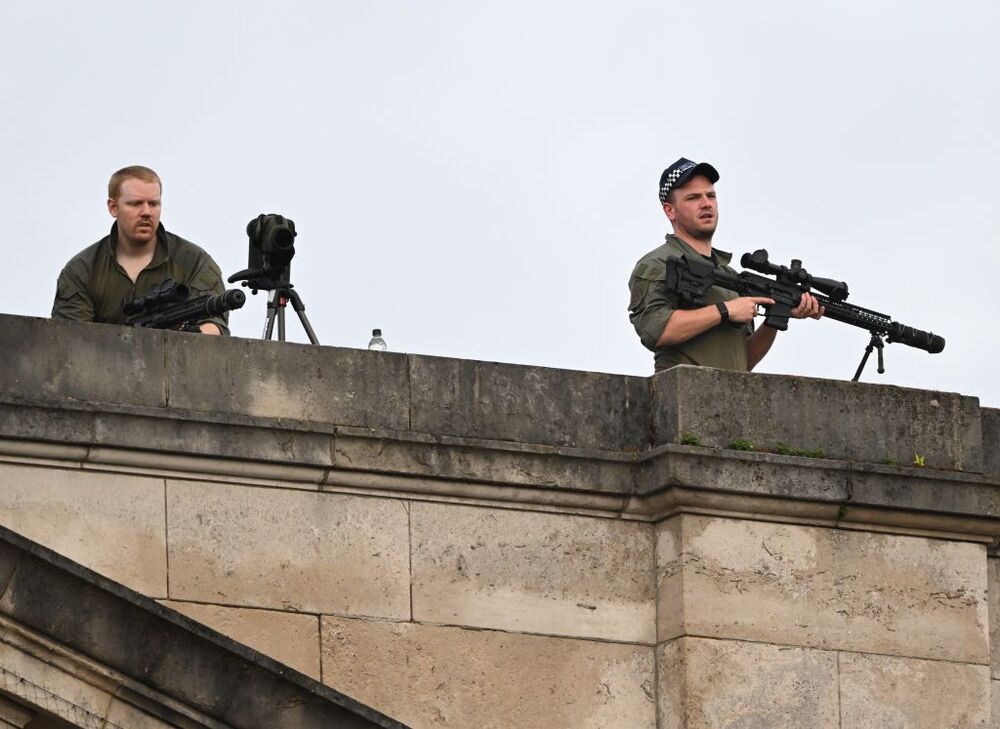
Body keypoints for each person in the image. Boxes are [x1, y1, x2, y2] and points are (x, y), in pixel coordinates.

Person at [628, 157, 821, 371]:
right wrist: (724, 310)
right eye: (693, 197)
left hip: (729, 396)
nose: (706, 203)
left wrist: (777, 315)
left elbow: (743, 360)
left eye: (711, 195)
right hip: (683, 393)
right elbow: (655, 330)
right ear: (669, 210)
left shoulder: (728, 276)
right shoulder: (657, 263)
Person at [51, 166, 228, 334]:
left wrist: (190, 336)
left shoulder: (193, 261)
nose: (146, 212)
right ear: (113, 207)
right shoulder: (82, 270)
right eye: (135, 204)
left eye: (153, 204)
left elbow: (214, 324)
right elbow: (70, 339)